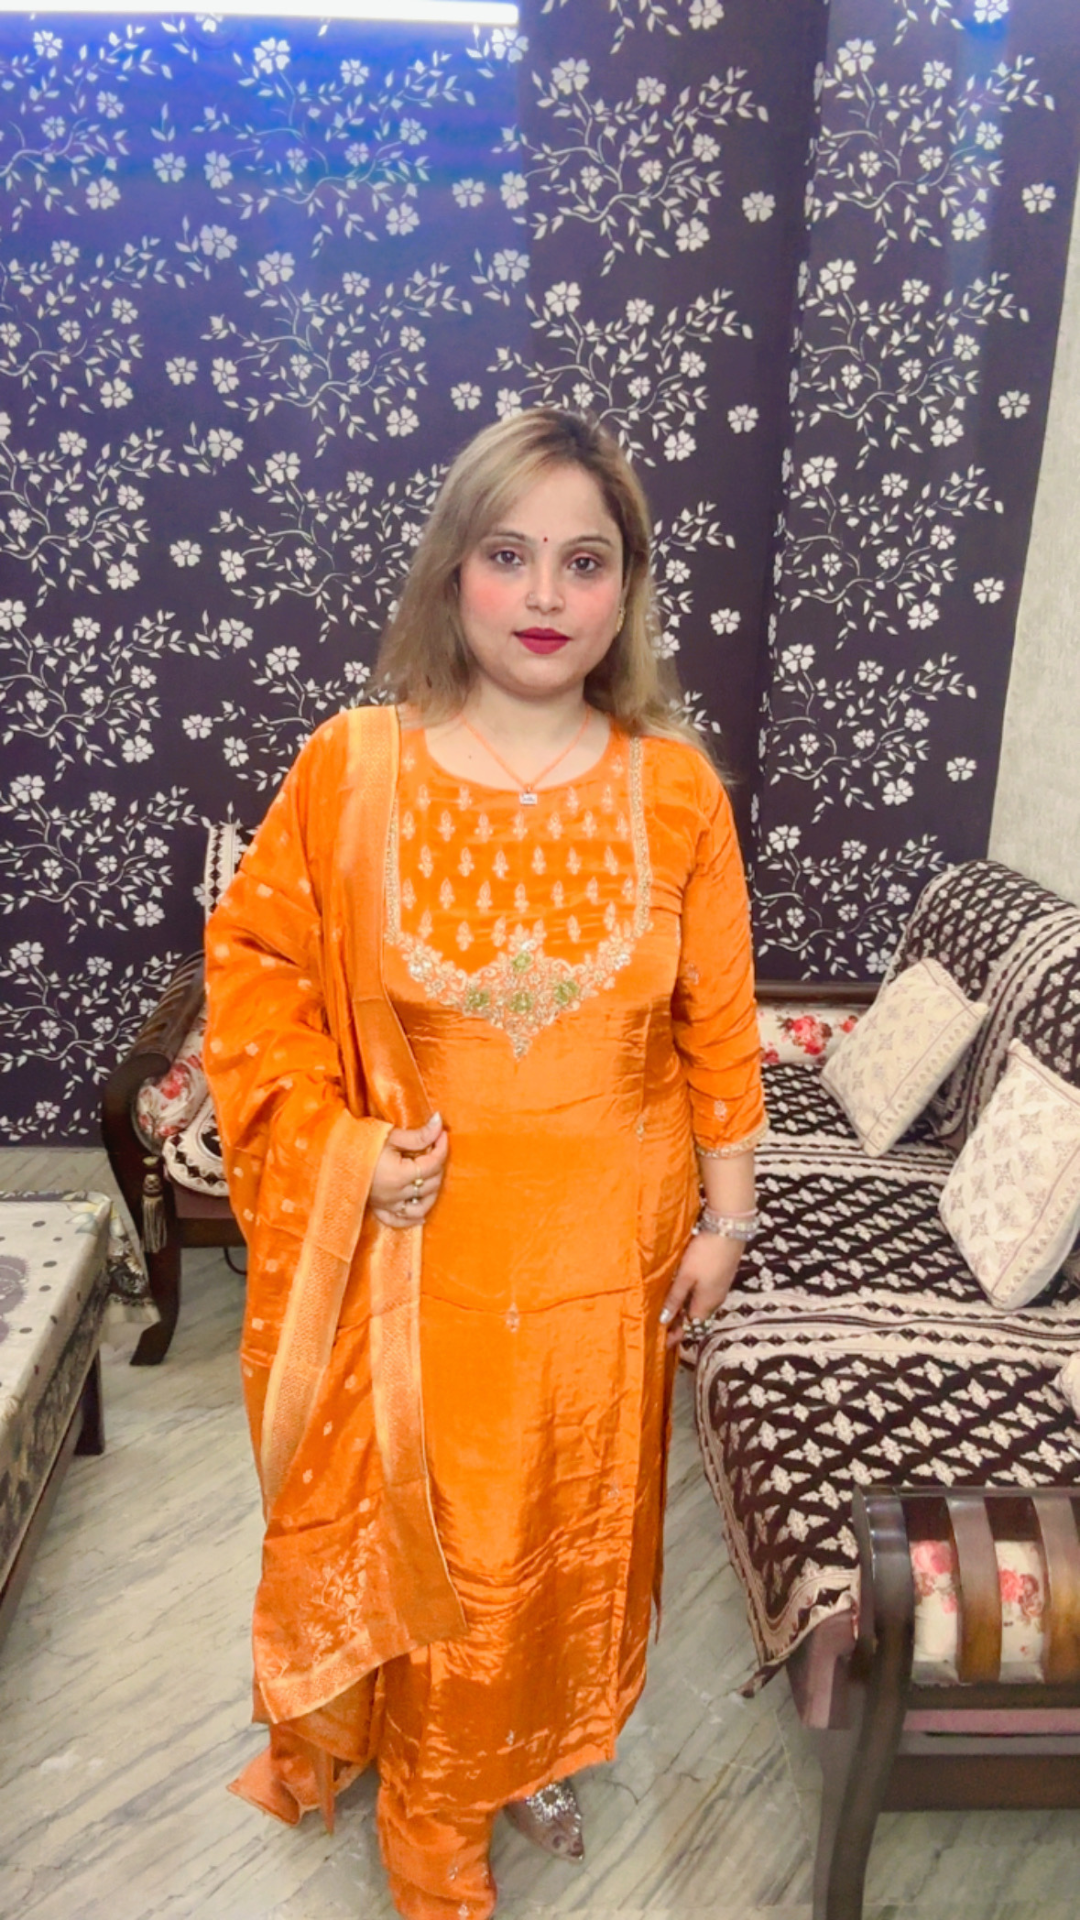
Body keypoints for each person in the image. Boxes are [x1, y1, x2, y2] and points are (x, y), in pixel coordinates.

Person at [203, 407, 766, 1920]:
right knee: (444, 1532)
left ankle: (529, 1744)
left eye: (586, 562)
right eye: (508, 555)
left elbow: (719, 1022)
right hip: (421, 1261)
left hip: (607, 1264)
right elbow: (255, 973)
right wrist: (342, 1153)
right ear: (453, 571)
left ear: (626, 589)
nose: (545, 595)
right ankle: (436, 1809)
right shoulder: (354, 769)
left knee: (567, 1531)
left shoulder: (676, 790)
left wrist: (725, 1221)